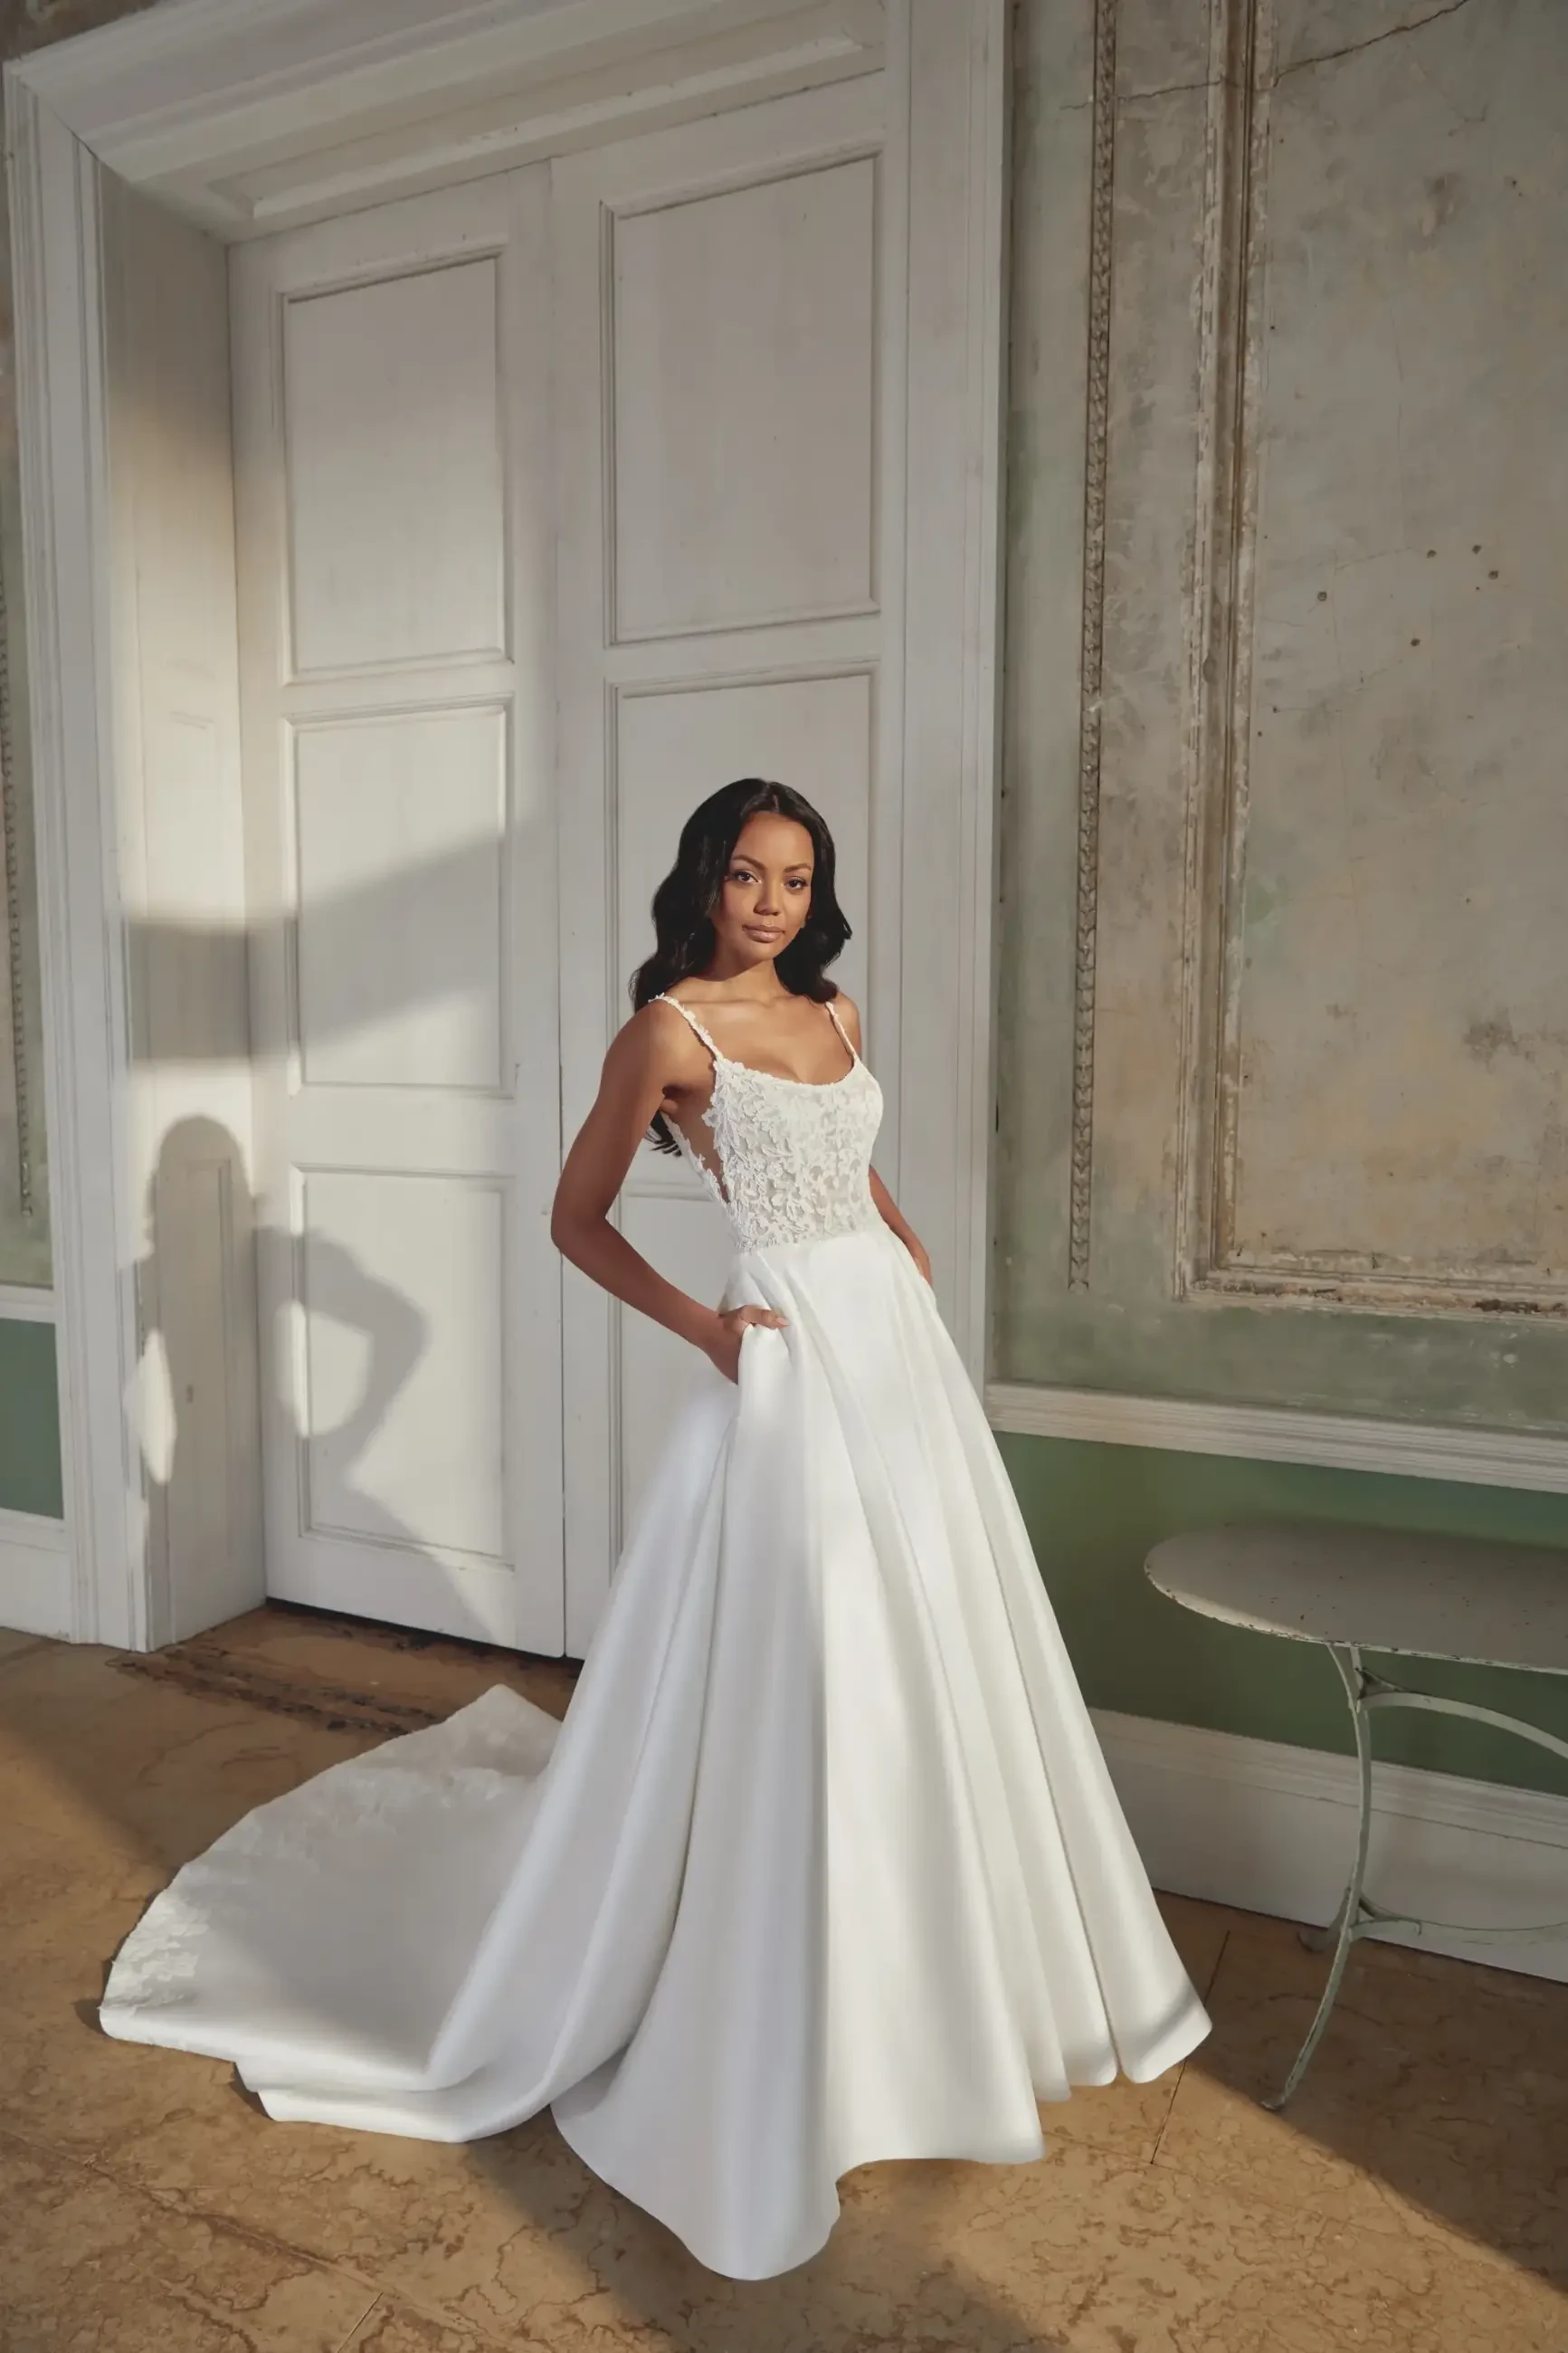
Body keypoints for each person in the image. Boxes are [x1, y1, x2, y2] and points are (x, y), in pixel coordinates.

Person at [99, 777, 1210, 2281]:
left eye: (797, 877)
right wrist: (706, 1327)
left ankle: (951, 1989)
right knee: (805, 1664)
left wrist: (897, 1228)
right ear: (704, 882)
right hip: (788, 1355)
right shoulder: (668, 1034)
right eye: (748, 875)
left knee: (934, 1642)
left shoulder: (840, 1011)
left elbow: (839, 1148)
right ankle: (794, 2001)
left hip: (893, 1343)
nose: (773, 901)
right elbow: (577, 1215)